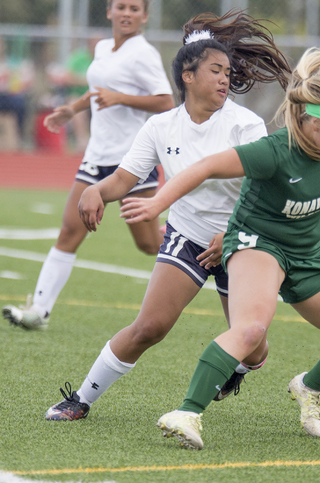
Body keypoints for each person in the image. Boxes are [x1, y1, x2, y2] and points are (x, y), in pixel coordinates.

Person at [119, 47, 320, 450]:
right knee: (251, 329)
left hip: (309, 253)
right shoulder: (273, 151)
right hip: (256, 244)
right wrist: (157, 203)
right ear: (311, 122)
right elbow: (204, 167)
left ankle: (308, 388)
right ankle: (187, 412)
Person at [43, 11, 291, 422]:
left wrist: (231, 233)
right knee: (148, 328)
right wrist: (95, 190)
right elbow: (124, 178)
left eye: (228, 71)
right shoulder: (161, 126)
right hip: (188, 236)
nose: (226, 79)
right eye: (216, 70)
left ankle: (239, 366)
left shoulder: (246, 125)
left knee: (254, 345)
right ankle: (81, 399)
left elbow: (262, 190)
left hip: (243, 241)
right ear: (187, 76)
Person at [2, 0, 175, 329]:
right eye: (121, 7)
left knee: (149, 244)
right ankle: (39, 312)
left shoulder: (144, 53)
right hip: (96, 157)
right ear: (109, 11)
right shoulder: (103, 49)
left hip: (132, 160)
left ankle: (188, 240)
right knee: (69, 230)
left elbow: (166, 102)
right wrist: (73, 108)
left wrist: (122, 98)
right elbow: (98, 90)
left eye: (135, 8)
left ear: (145, 16)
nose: (127, 13)